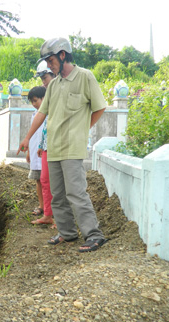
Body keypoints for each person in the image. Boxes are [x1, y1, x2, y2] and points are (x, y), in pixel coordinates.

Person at [17, 37, 107, 253]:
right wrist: (28, 137)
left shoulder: (85, 77)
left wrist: (83, 128)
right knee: (57, 194)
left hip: (72, 147)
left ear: (63, 55)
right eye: (47, 61)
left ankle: (94, 235)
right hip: (53, 148)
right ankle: (67, 232)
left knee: (76, 192)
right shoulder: (54, 85)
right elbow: (42, 113)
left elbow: (99, 108)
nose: (48, 65)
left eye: (50, 60)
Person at [31, 61, 56, 228]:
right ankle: (48, 214)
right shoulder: (50, 95)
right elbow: (45, 125)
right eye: (41, 79)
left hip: (60, 146)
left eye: (45, 78)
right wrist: (40, 144)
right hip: (47, 146)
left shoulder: (60, 92)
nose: (43, 82)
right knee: (45, 181)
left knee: (58, 184)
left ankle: (60, 220)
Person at [26, 86, 45, 217]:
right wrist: (28, 152)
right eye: (31, 101)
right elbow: (32, 136)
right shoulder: (34, 116)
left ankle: (50, 208)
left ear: (44, 98)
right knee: (38, 180)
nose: (33, 104)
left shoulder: (49, 115)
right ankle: (41, 206)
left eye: (35, 100)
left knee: (47, 181)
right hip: (35, 153)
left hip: (45, 153)